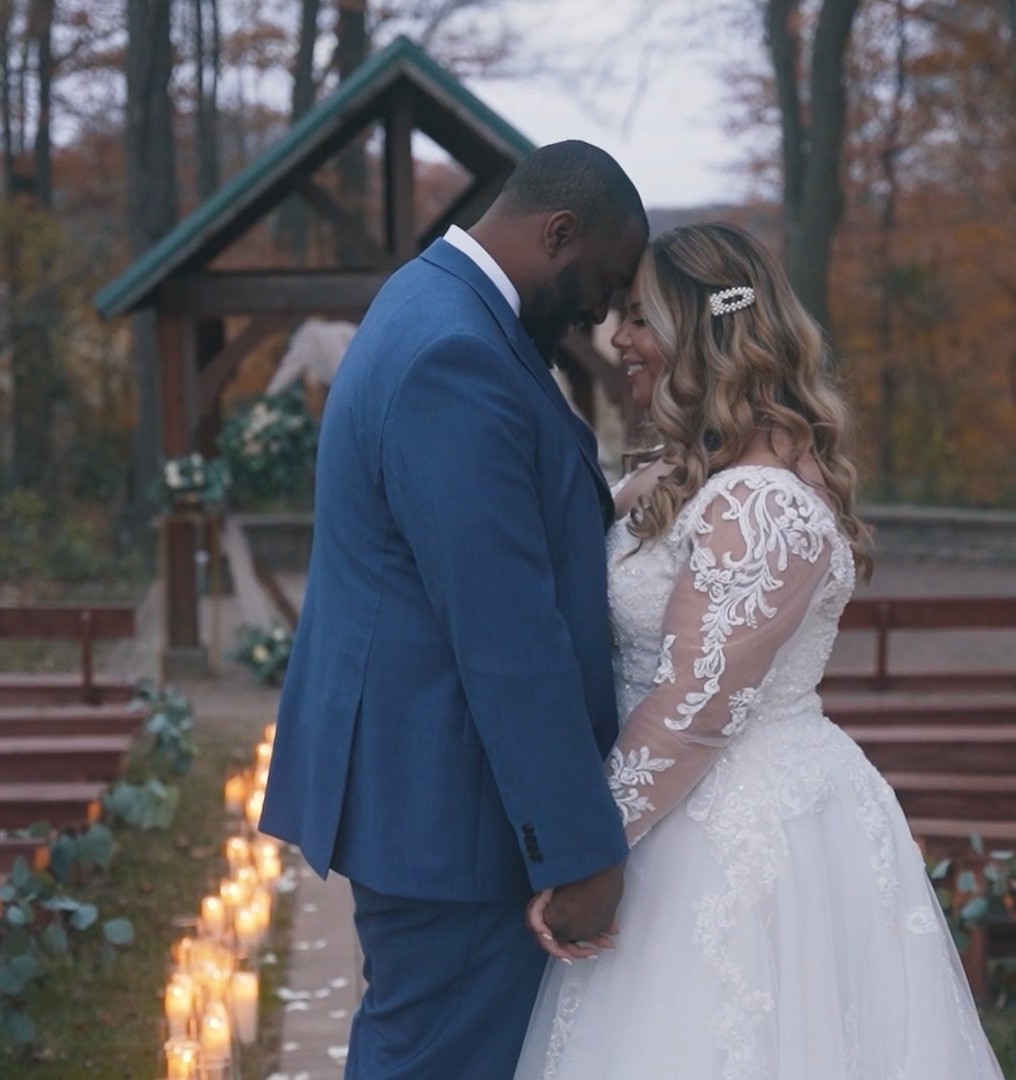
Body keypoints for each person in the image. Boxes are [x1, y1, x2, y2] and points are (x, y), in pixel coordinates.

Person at [516, 223, 1006, 1078]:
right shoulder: (681, 477)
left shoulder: (761, 506)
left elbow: (693, 713)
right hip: (676, 808)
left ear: (702, 329)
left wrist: (584, 847)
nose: (619, 338)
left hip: (732, 825)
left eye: (639, 318)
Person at [259, 140, 650, 1078]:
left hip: (426, 794)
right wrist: (576, 851)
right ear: (557, 232)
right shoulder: (455, 354)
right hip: (458, 816)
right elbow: (504, 635)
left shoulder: (429, 301)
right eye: (601, 282)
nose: (601, 316)